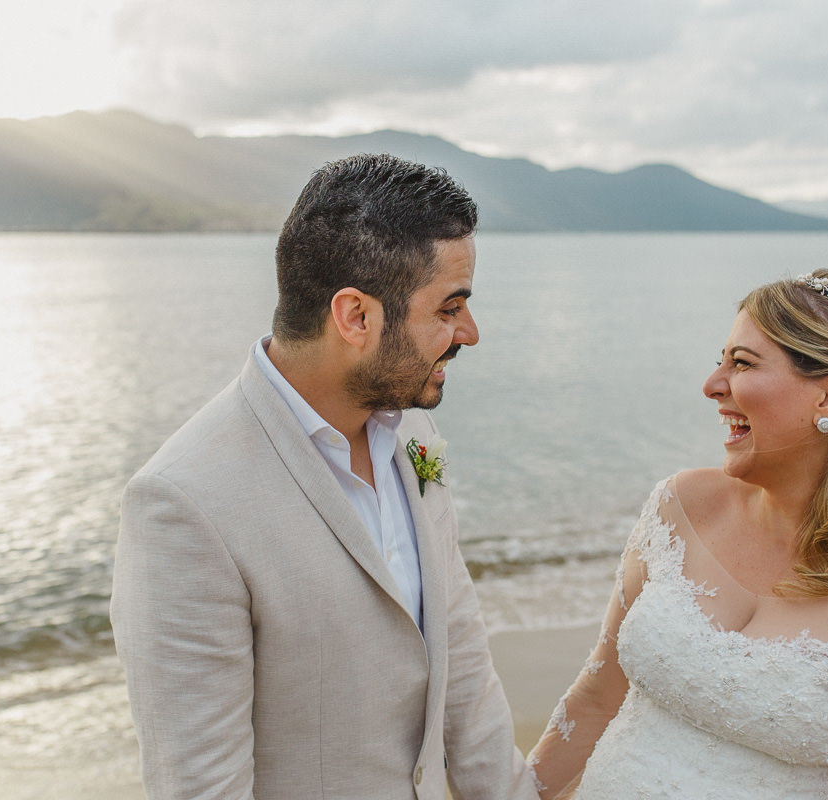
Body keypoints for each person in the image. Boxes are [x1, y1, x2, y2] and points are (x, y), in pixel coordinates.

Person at [110, 154, 538, 800]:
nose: (469, 334)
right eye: (449, 308)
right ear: (356, 317)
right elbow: (201, 785)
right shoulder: (183, 504)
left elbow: (462, 657)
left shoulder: (413, 436)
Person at [527, 270, 828, 799]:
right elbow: (593, 701)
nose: (712, 384)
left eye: (742, 363)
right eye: (720, 359)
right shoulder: (679, 506)